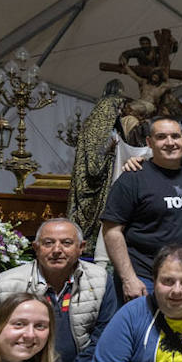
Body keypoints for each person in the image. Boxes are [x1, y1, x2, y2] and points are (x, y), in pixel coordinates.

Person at [0, 218, 118, 362]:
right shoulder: (6, 284)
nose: (57, 249)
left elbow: (105, 337)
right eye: (48, 243)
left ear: (81, 247)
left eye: (66, 243)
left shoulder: (100, 280)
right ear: (36, 247)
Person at [100, 116, 182, 301]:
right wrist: (129, 278)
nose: (170, 142)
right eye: (161, 137)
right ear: (149, 142)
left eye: (175, 136)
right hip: (144, 278)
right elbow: (112, 231)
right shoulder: (132, 178)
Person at [68, 79, 133, 247]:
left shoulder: (94, 115)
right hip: (100, 172)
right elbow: (97, 155)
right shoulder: (108, 107)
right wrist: (111, 149)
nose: (119, 111)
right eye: (118, 108)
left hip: (95, 168)